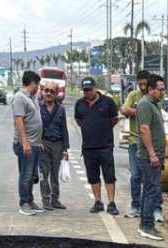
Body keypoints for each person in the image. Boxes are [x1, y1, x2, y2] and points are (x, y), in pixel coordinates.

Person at [73, 76, 121, 215]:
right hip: (88, 147)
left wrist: (102, 128)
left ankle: (111, 203)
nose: (88, 92)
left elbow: (114, 119)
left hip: (105, 146)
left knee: (109, 175)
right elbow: (79, 120)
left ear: (95, 88)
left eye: (90, 89)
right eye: (85, 90)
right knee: (93, 176)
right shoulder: (79, 104)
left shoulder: (107, 102)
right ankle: (98, 201)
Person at [136, 73, 167, 241]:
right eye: (159, 89)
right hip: (149, 157)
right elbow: (144, 130)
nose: (162, 92)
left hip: (154, 156)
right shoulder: (145, 105)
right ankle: (147, 225)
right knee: (152, 190)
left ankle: (144, 223)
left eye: (163, 90)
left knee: (149, 189)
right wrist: (152, 154)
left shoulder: (154, 105)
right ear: (150, 89)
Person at [11, 70, 44, 215]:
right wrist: (25, 142)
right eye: (38, 84)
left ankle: (30, 200)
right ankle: (24, 203)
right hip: (26, 144)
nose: (38, 87)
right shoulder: (19, 98)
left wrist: (39, 141)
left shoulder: (32, 98)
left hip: (35, 143)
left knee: (31, 175)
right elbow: (18, 120)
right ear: (32, 83)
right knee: (25, 175)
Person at [119, 70, 150, 218]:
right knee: (135, 175)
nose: (143, 87)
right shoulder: (133, 95)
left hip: (149, 142)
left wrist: (135, 110)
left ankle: (149, 207)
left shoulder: (153, 95)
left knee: (148, 177)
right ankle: (135, 206)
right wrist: (141, 111)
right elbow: (124, 109)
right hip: (134, 141)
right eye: (140, 84)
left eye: (145, 84)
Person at [38, 81, 69, 210]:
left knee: (55, 173)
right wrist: (38, 142)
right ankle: (46, 199)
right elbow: (34, 126)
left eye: (52, 91)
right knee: (44, 173)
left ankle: (55, 199)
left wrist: (65, 148)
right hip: (43, 143)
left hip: (58, 144)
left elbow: (64, 128)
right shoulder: (38, 107)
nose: (48, 93)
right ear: (43, 91)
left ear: (56, 93)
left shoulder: (61, 109)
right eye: (46, 90)